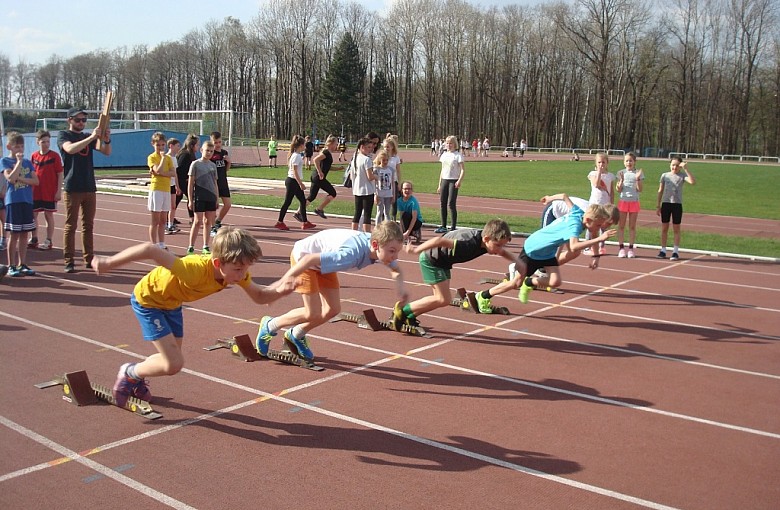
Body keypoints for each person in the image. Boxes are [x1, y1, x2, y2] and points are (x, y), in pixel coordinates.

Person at [92, 227, 297, 407]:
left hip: (172, 304)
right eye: (238, 269)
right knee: (173, 364)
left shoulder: (236, 272)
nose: (243, 275)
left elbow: (260, 296)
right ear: (218, 263)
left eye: (246, 268)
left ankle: (136, 375)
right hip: (149, 300)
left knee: (170, 360)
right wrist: (109, 262)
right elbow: (151, 249)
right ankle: (130, 373)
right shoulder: (194, 270)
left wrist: (282, 290)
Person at [255, 221, 408, 361]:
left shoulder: (382, 244)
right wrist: (281, 282)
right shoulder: (349, 255)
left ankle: (296, 334)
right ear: (375, 245)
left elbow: (396, 270)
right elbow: (309, 260)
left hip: (323, 263)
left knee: (333, 309)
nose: (395, 256)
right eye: (392, 251)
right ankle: (270, 325)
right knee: (311, 312)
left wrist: (401, 290)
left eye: (397, 251)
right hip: (304, 259)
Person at [392, 219, 518, 324]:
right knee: (443, 299)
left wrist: (520, 263)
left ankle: (409, 316)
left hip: (444, 262)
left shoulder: (487, 242)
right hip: (431, 259)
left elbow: (503, 252)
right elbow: (438, 241)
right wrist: (415, 250)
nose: (500, 249)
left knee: (441, 298)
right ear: (486, 238)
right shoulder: (468, 244)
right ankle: (403, 312)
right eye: (498, 245)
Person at [503, 194, 618, 305]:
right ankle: (523, 266)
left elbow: (593, 235)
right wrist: (549, 199)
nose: (605, 227)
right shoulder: (585, 218)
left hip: (566, 223)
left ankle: (541, 270)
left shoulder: (594, 216)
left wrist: (596, 257)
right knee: (549, 244)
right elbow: (567, 238)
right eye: (607, 224)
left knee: (575, 252)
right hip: (553, 212)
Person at [58, 106, 111, 273]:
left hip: (89, 186)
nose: (81, 123)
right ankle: (69, 260)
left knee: (88, 225)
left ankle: (89, 258)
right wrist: (92, 137)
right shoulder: (64, 135)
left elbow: (106, 151)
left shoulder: (88, 136)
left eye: (83, 120)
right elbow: (70, 149)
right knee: (70, 225)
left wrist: (106, 139)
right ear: (70, 120)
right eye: (78, 120)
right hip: (72, 186)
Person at [2, 131, 40, 276]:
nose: (20, 150)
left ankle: (22, 263)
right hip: (14, 201)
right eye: (17, 147)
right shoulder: (5, 161)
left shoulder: (28, 163)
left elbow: (35, 181)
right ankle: (11, 265)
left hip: (27, 200)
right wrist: (18, 163)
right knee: (14, 233)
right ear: (10, 147)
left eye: (22, 147)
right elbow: (10, 178)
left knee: (24, 233)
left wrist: (21, 179)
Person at [30, 129, 64, 251]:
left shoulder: (54, 156)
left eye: (48, 142)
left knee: (48, 215)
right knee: (33, 215)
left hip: (49, 192)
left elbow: (60, 174)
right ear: (37, 142)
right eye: (43, 142)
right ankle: (34, 238)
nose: (46, 144)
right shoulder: (34, 156)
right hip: (35, 192)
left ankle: (48, 240)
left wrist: (58, 191)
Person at [657, 157, 696, 261]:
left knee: (676, 229)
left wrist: (686, 169)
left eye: (677, 165)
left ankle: (675, 251)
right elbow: (660, 190)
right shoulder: (664, 175)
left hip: (677, 205)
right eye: (673, 165)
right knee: (664, 228)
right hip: (666, 204)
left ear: (680, 166)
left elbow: (692, 182)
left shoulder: (682, 176)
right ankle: (663, 250)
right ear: (670, 165)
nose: (675, 167)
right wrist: (658, 205)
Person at [276, 135, 316, 231]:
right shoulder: (296, 156)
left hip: (294, 181)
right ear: (301, 145)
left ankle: (305, 222)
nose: (305, 147)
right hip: (292, 181)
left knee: (302, 201)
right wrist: (300, 183)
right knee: (287, 202)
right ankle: (279, 222)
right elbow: (294, 171)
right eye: (304, 145)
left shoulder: (297, 155)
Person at [186, 140, 218, 254]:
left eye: (211, 151)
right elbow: (190, 183)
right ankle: (191, 246)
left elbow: (215, 183)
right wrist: (190, 200)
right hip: (199, 196)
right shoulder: (195, 164)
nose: (209, 153)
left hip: (210, 197)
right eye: (207, 150)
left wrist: (217, 197)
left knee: (207, 221)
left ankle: (205, 245)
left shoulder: (213, 165)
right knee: (197, 221)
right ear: (201, 150)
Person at [146, 132, 177, 250]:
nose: (161, 147)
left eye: (163, 145)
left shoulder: (169, 158)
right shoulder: (152, 157)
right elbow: (156, 169)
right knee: (155, 220)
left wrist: (162, 173)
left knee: (163, 220)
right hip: (156, 189)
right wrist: (163, 160)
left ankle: (162, 243)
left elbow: (172, 173)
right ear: (153, 144)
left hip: (166, 189)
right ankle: (153, 245)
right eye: (158, 145)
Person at [615, 152, 644, 258]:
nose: (629, 162)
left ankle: (631, 249)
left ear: (634, 162)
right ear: (624, 162)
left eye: (631, 160)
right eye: (626, 160)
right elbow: (618, 190)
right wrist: (621, 181)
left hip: (634, 202)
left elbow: (640, 189)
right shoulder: (620, 173)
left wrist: (637, 179)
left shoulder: (638, 173)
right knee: (621, 226)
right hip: (623, 201)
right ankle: (621, 248)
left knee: (632, 226)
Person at [586, 152, 615, 255]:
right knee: (591, 225)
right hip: (594, 204)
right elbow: (596, 184)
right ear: (596, 163)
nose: (601, 164)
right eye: (599, 162)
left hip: (605, 205)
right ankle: (588, 246)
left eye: (603, 162)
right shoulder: (592, 174)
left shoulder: (610, 176)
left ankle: (601, 247)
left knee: (603, 226)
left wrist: (611, 205)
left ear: (607, 163)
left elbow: (611, 192)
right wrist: (598, 172)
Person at [302, 134, 337, 220]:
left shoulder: (327, 153)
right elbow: (315, 160)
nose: (337, 145)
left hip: (316, 176)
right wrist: (320, 172)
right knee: (333, 193)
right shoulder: (325, 152)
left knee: (312, 196)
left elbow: (327, 166)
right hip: (319, 177)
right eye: (336, 144)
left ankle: (299, 212)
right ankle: (319, 209)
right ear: (331, 144)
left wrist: (338, 168)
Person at [434, 135, 465, 233]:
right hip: (444, 180)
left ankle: (453, 227)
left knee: (451, 203)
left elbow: (463, 170)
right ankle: (443, 226)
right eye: (447, 143)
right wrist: (439, 184)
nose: (449, 145)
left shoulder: (458, 155)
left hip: (453, 180)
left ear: (454, 144)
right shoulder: (444, 155)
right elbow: (442, 170)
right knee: (442, 203)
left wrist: (459, 181)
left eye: (451, 143)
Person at [349, 137, 377, 233]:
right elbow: (370, 176)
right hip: (367, 190)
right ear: (362, 147)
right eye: (368, 147)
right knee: (367, 214)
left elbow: (351, 176)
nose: (370, 149)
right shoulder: (367, 160)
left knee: (357, 213)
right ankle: (367, 236)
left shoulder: (354, 160)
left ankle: (353, 233)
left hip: (357, 189)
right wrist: (376, 176)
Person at [174, 134, 199, 226]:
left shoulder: (190, 154)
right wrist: (185, 179)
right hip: (181, 181)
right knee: (190, 197)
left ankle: (170, 216)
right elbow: (179, 169)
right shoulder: (185, 155)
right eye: (197, 145)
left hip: (185, 180)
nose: (198, 147)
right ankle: (192, 218)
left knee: (180, 198)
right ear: (192, 145)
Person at [210, 131, 231, 236]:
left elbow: (226, 169)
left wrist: (229, 162)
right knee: (214, 205)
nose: (218, 145)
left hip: (223, 181)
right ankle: (212, 226)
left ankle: (218, 221)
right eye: (215, 142)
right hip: (214, 182)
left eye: (219, 142)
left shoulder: (224, 153)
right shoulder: (211, 154)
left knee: (228, 204)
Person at [383, 136, 403, 221]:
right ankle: (383, 219)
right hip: (383, 183)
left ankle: (393, 219)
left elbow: (398, 171)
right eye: (384, 147)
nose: (386, 148)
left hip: (393, 181)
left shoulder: (396, 158)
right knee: (384, 201)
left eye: (388, 146)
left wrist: (399, 183)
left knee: (394, 201)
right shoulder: (382, 156)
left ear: (392, 147)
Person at [373, 149, 395, 225]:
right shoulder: (377, 169)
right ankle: (377, 228)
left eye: (386, 160)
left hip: (388, 194)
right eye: (383, 160)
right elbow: (374, 183)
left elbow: (392, 183)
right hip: (380, 193)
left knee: (387, 213)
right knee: (379, 212)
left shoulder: (391, 170)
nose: (385, 162)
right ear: (380, 160)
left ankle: (387, 228)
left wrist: (393, 195)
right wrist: (375, 195)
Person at [165, 137, 182, 235]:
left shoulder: (174, 158)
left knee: (173, 206)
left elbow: (175, 173)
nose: (179, 148)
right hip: (165, 185)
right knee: (165, 206)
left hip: (172, 185)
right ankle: (164, 225)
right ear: (171, 146)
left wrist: (177, 186)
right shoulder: (166, 157)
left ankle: (170, 224)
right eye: (177, 146)